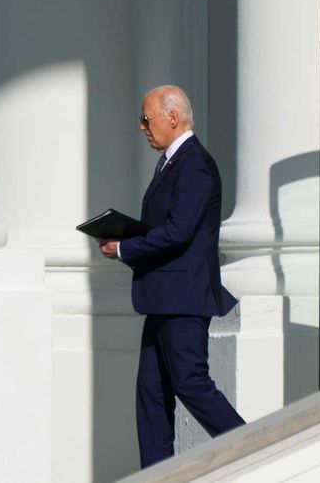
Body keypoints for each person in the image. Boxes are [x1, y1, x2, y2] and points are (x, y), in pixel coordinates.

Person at [98, 85, 245, 468]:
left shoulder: (195, 163)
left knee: (191, 384)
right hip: (161, 296)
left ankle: (257, 449)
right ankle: (158, 476)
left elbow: (179, 231)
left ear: (172, 118)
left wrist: (125, 249)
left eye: (146, 119)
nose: (142, 127)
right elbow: (165, 228)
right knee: (151, 396)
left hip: (183, 297)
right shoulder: (170, 164)